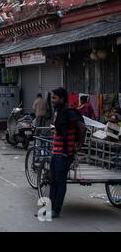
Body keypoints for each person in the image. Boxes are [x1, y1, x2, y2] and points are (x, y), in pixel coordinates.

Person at [49, 87, 86, 218]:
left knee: (60, 182)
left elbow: (82, 127)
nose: (52, 100)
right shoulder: (58, 112)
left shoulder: (69, 112)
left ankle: (56, 210)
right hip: (56, 152)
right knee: (53, 181)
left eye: (54, 98)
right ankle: (51, 208)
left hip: (64, 154)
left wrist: (79, 145)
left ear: (62, 99)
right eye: (52, 97)